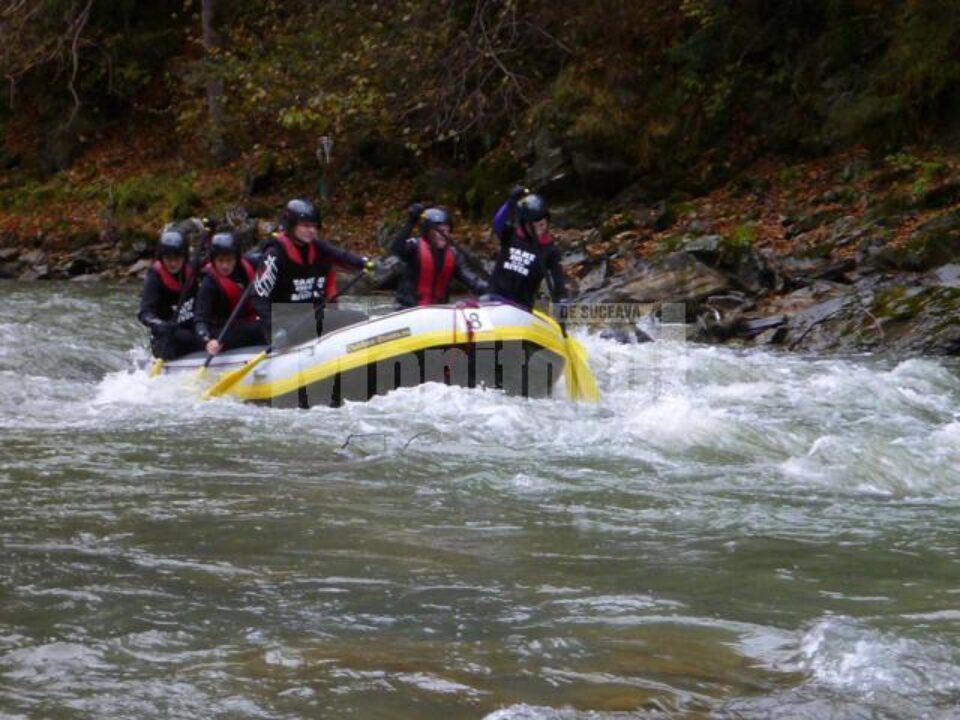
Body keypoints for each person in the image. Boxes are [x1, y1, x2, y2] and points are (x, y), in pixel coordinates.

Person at [252, 198, 373, 343]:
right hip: (284, 322)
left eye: (314, 226)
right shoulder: (274, 255)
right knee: (356, 318)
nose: (311, 231)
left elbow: (343, 256)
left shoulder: (319, 248)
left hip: (311, 317)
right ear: (291, 225)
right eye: (305, 226)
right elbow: (259, 298)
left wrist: (365, 263)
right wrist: (273, 330)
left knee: (359, 317)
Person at [390, 205, 487, 307]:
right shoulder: (414, 247)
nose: (444, 235)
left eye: (447, 231)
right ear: (427, 232)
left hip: (438, 311)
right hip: (409, 308)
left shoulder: (454, 255)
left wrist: (490, 291)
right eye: (440, 231)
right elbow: (396, 249)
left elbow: (471, 279)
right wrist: (411, 222)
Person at [488, 188, 567, 310]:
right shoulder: (510, 235)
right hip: (495, 298)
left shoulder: (550, 251)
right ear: (524, 224)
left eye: (542, 225)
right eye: (533, 226)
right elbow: (497, 222)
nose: (538, 230)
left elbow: (558, 279)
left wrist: (562, 299)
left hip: (521, 308)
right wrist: (510, 203)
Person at [194, 231, 267, 356]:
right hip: (223, 329)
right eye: (220, 260)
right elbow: (200, 319)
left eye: (229, 260)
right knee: (256, 330)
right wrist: (207, 340)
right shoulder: (209, 283)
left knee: (269, 322)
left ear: (236, 259)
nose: (225, 266)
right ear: (213, 260)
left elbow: (269, 257)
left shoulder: (248, 264)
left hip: (249, 320)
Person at [137, 229, 202, 359]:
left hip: (192, 329)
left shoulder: (193, 268)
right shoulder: (155, 277)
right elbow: (144, 313)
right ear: (162, 258)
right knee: (176, 338)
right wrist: (159, 324)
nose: (173, 263)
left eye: (177, 258)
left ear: (184, 257)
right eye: (168, 258)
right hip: (168, 335)